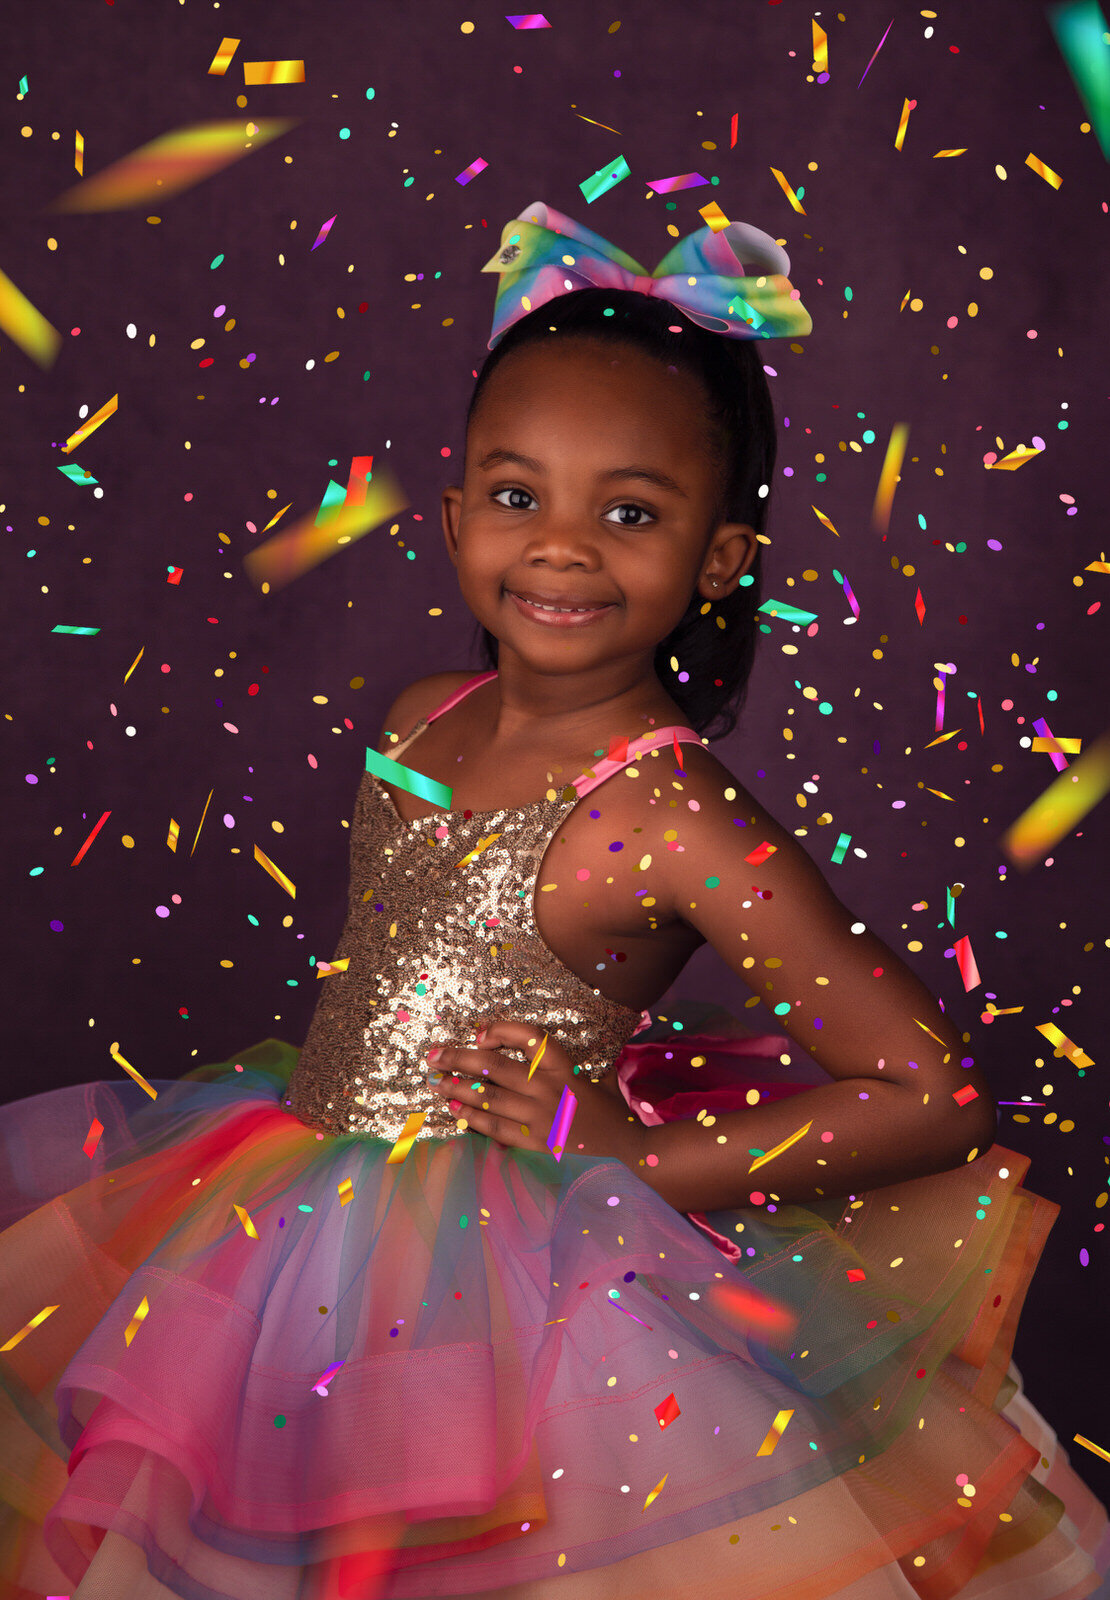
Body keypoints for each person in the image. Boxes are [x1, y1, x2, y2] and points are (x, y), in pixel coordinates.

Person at [0, 201, 1105, 1600]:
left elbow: (925, 1093)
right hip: (280, 1217)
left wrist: (623, 1161)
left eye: (628, 511)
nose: (561, 547)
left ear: (719, 558)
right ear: (458, 515)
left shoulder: (670, 811)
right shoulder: (418, 719)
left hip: (511, 1283)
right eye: (518, 496)